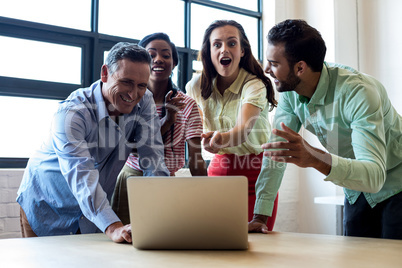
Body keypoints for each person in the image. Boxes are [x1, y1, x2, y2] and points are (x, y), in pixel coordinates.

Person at [253, 19, 402, 238]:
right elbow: (276, 153)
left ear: (300, 68)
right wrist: (260, 217)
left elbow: (374, 176)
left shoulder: (358, 93)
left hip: (395, 182)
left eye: (274, 63)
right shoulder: (290, 93)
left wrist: (313, 157)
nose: (267, 70)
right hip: (354, 188)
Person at [17, 42, 169, 243]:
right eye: (126, 82)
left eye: (141, 85)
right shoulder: (71, 114)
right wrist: (113, 226)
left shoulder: (144, 101)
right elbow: (81, 175)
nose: (133, 94)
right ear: (105, 73)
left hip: (92, 213)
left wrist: (164, 217)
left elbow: (154, 160)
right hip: (47, 206)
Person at [186, 20, 279, 232]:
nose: (224, 50)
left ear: (242, 50)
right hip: (218, 170)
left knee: (255, 247)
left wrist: (221, 139)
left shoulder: (255, 84)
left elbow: (243, 129)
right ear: (208, 52)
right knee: (216, 240)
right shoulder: (195, 86)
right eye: (217, 44)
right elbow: (195, 128)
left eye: (232, 43)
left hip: (258, 175)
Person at [111, 33, 207, 224]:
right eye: (151, 54)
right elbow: (132, 146)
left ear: (174, 63)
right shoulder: (127, 100)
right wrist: (168, 120)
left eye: (166, 55)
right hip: (130, 179)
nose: (159, 59)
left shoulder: (187, 105)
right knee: (123, 244)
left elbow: (196, 158)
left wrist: (205, 194)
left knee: (161, 240)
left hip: (166, 181)